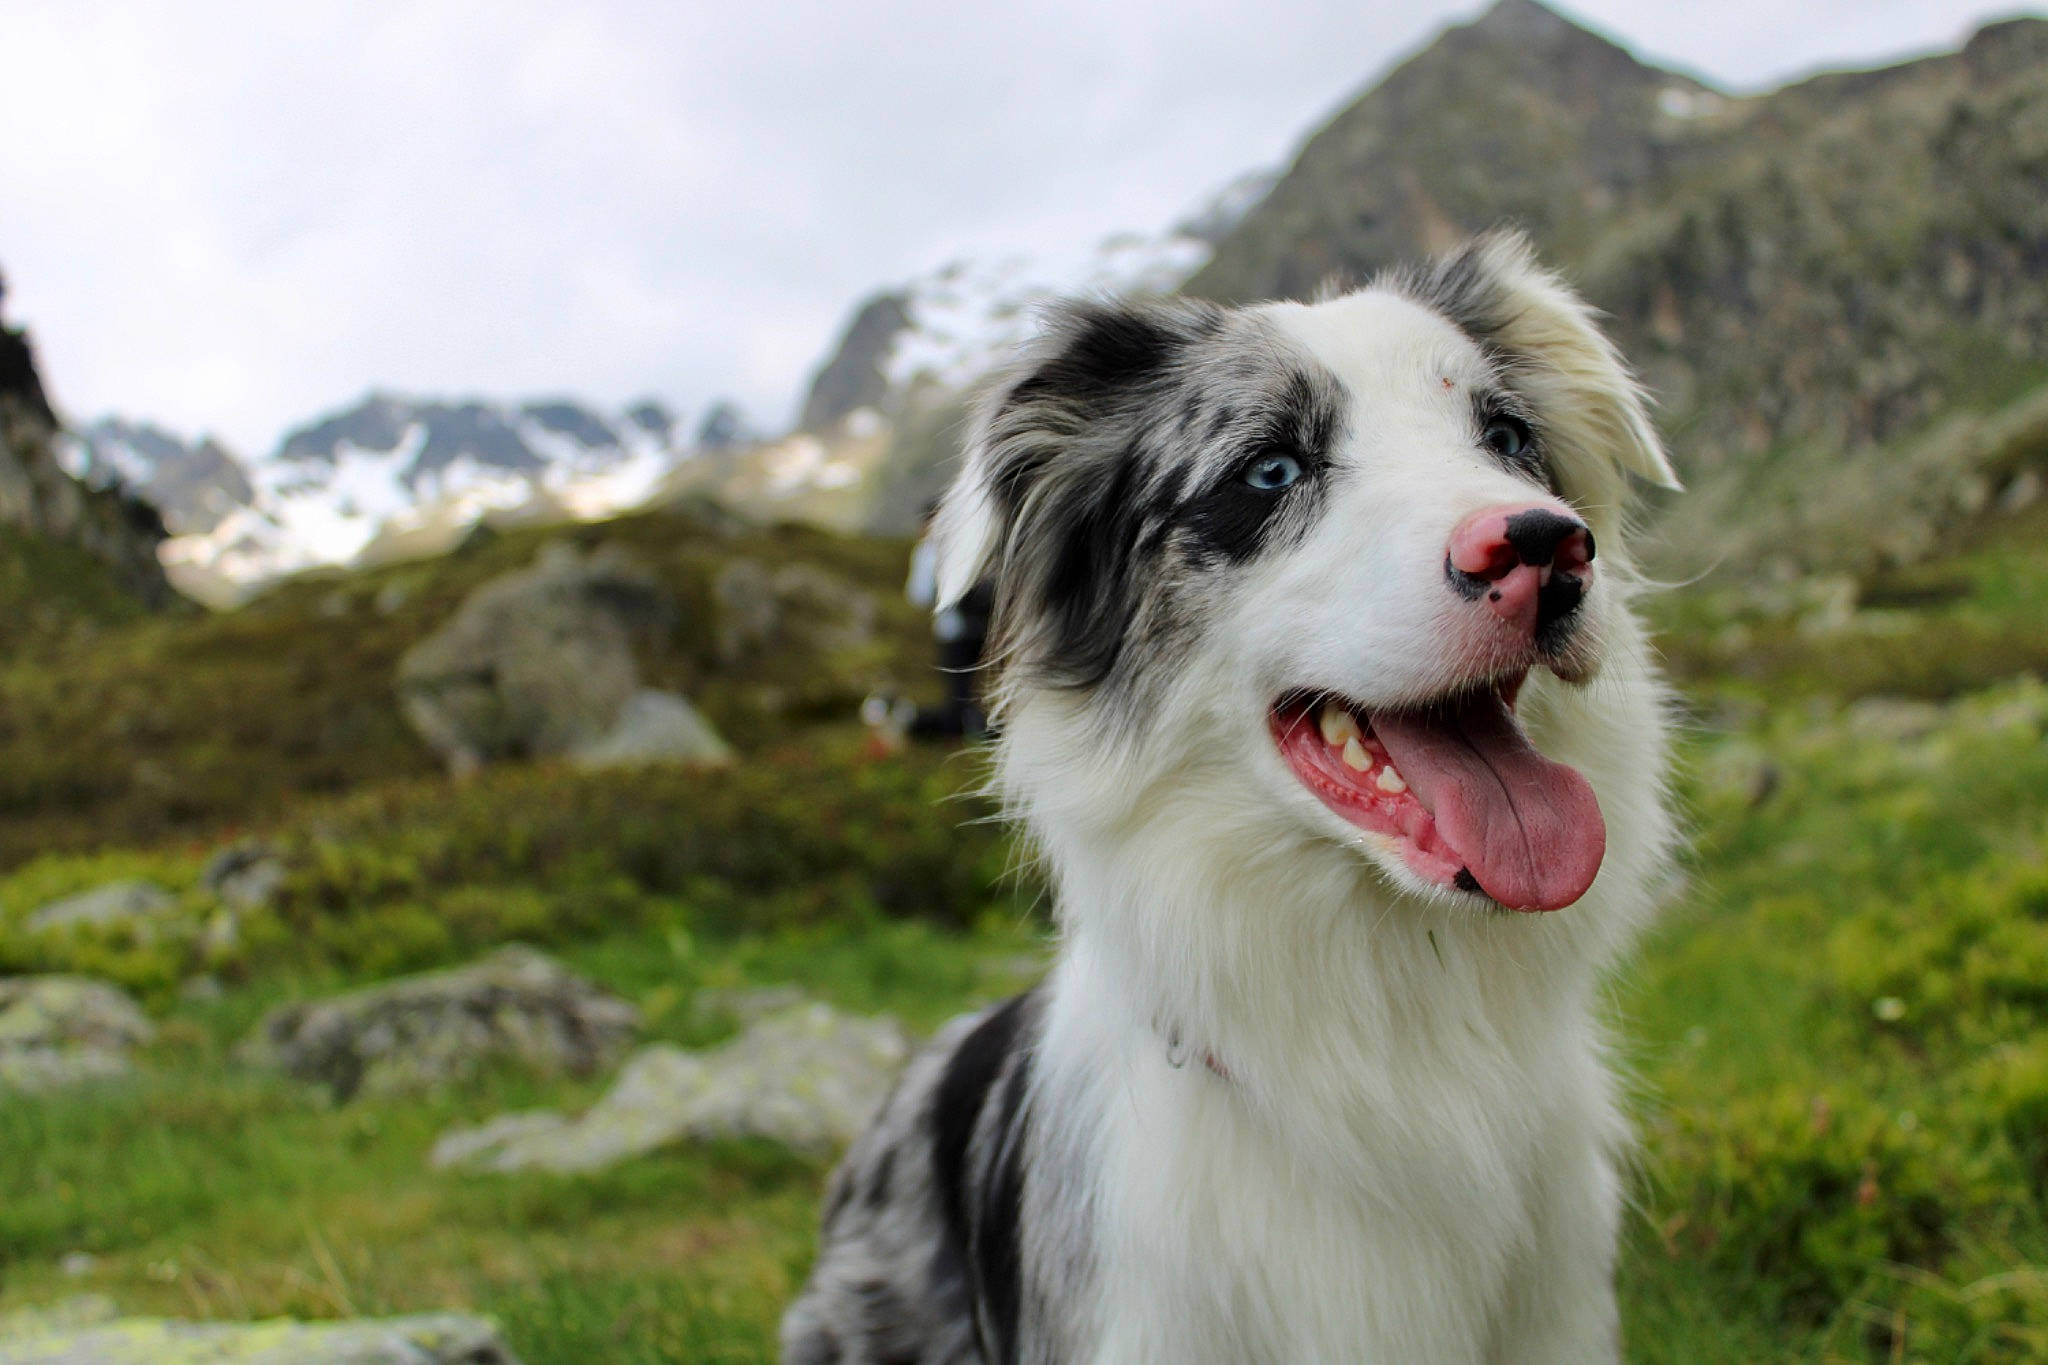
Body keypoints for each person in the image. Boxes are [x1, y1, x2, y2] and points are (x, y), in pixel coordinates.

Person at [864, 503, 992, 744]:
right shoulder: (966, 542)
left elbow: (919, 595)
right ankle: (975, 727)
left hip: (953, 630)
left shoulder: (928, 552)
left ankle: (928, 727)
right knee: (979, 686)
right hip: (983, 625)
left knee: (960, 690)